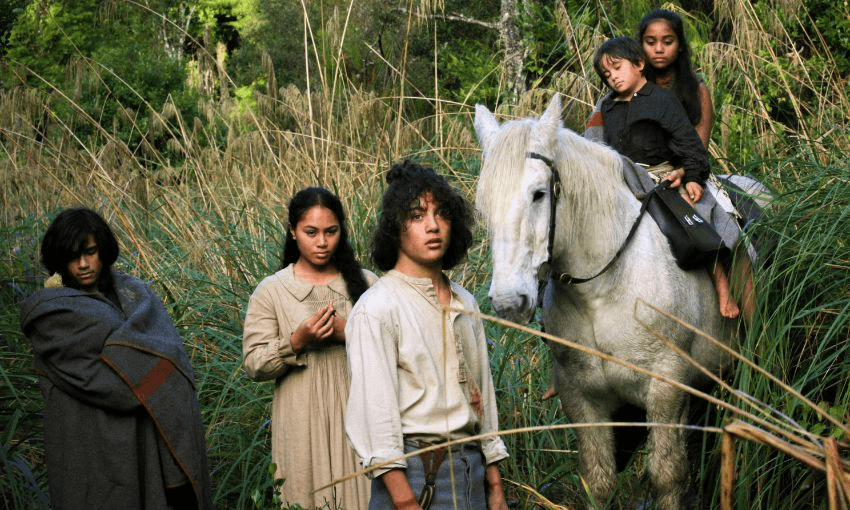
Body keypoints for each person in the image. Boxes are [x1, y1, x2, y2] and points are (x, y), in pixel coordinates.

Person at [19, 207, 213, 510]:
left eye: (90, 252)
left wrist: (143, 369)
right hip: (88, 441)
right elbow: (116, 382)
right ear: (59, 260)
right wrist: (146, 376)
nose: (83, 264)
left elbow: (171, 357)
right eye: (72, 257)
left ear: (103, 249)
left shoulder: (136, 295)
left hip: (147, 437)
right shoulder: (53, 314)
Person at [345, 160, 510, 510]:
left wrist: (494, 485)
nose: (432, 226)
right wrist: (405, 501)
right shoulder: (377, 307)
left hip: (472, 473)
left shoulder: (465, 300)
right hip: (416, 476)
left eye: (441, 214)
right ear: (395, 226)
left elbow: (485, 398)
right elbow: (376, 417)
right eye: (417, 216)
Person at [242, 186, 375, 509]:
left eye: (331, 232)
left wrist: (349, 334)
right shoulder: (272, 291)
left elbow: (397, 351)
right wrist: (296, 342)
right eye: (310, 232)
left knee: (362, 496)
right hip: (298, 421)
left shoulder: (368, 284)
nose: (322, 242)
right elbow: (254, 363)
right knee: (303, 496)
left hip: (359, 417)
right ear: (292, 232)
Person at [593, 36, 740, 319]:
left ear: (639, 63)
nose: (613, 77)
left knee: (694, 217)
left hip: (661, 176)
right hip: (622, 177)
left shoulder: (662, 100)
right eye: (606, 74)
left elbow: (690, 145)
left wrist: (693, 177)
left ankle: (721, 286)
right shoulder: (607, 108)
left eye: (617, 67)